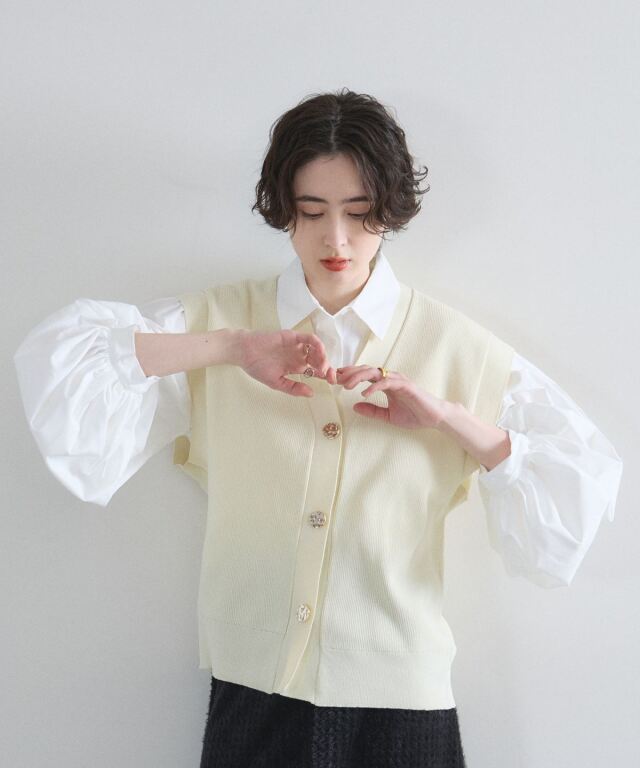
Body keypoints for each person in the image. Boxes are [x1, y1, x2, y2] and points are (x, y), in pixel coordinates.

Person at [13, 88, 623, 768]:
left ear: (390, 209)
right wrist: (232, 347)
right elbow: (68, 362)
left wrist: (448, 418)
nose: (336, 239)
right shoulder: (218, 322)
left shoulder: (462, 350)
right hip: (253, 696)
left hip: (403, 708)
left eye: (360, 214)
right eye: (311, 212)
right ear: (284, 209)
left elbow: (579, 480)